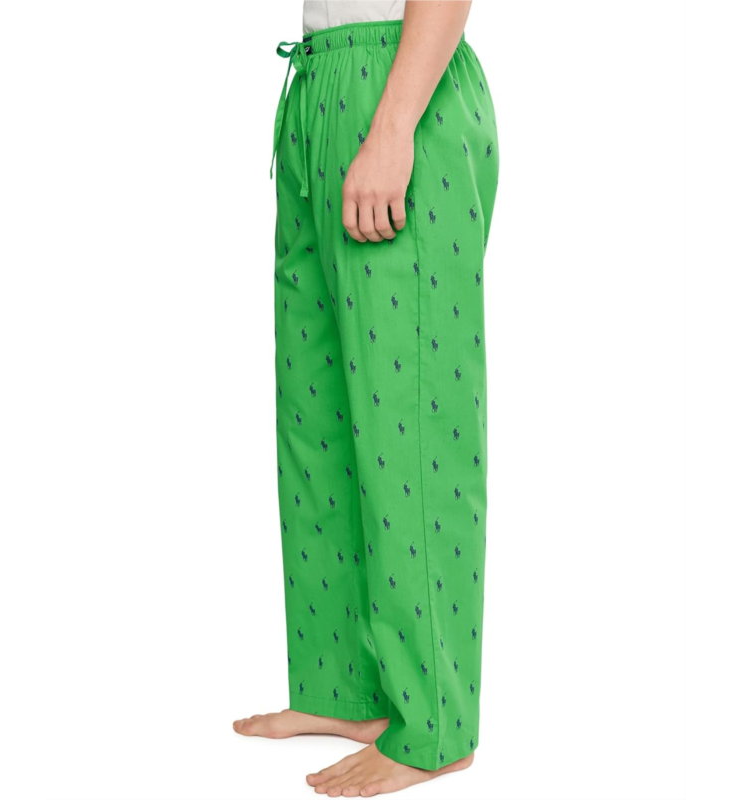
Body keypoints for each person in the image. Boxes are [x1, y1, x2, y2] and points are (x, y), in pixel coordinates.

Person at [235, 0, 499, 794]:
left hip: (399, 86)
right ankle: (344, 689)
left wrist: (392, 128)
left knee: (409, 427)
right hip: (318, 82)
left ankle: (436, 725)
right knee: (316, 417)